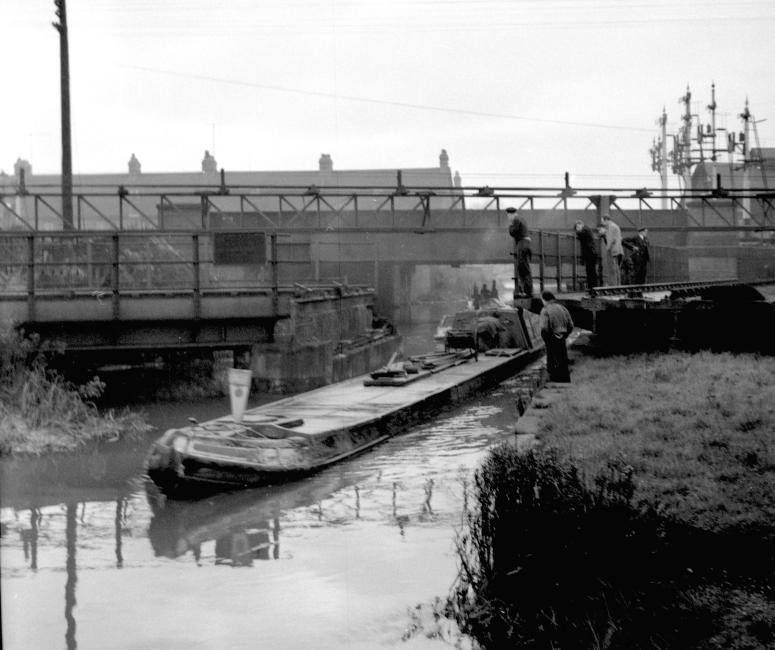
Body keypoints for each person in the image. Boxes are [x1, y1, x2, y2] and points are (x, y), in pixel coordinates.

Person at [539, 291, 574, 383]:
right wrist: (565, 335)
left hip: (551, 337)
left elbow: (544, 327)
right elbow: (571, 325)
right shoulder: (562, 308)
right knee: (562, 359)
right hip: (562, 337)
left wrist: (546, 339)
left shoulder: (545, 310)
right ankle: (565, 381)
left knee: (552, 360)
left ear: (544, 299)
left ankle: (554, 381)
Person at [507, 207, 533, 298]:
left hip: (522, 244)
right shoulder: (522, 219)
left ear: (511, 214)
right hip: (525, 243)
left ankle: (527, 291)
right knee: (524, 267)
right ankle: (527, 290)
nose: (508, 218)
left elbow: (513, 232)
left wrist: (510, 226)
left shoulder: (516, 220)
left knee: (522, 268)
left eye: (508, 216)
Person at [573, 219, 598, 291]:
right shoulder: (586, 230)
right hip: (590, 253)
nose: (577, 229)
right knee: (591, 271)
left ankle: (592, 287)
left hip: (590, 253)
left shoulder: (585, 229)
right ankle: (592, 287)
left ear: (580, 225)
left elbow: (580, 234)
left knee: (590, 271)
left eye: (577, 227)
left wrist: (577, 231)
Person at [601, 214, 623, 286]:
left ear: (606, 220)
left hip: (613, 250)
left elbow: (610, 240)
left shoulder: (611, 227)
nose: (602, 223)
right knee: (616, 269)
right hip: (618, 250)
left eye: (603, 221)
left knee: (612, 269)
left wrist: (607, 248)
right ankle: (618, 285)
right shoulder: (615, 226)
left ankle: (613, 285)